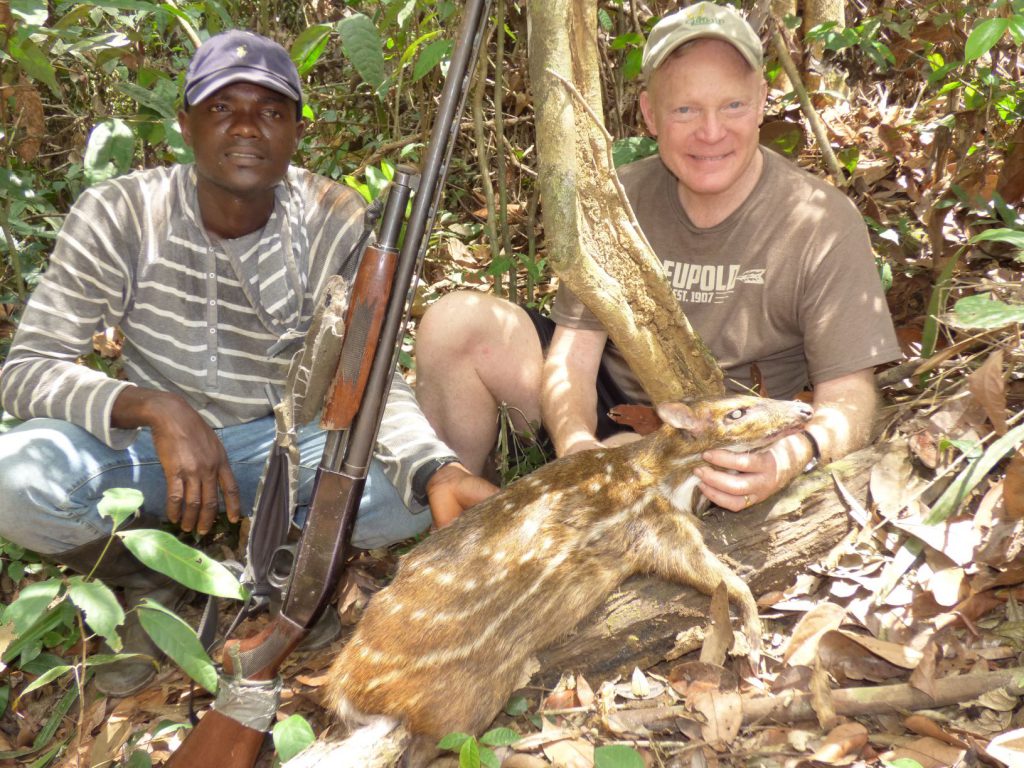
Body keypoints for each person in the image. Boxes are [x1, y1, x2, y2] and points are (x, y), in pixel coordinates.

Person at [0, 30, 494, 696]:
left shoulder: (332, 219)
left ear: (295, 131)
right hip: (152, 448)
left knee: (407, 495)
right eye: (221, 108)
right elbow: (27, 368)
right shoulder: (120, 213)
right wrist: (154, 406)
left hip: (283, 445)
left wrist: (438, 467)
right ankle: (164, 583)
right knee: (14, 480)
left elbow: (369, 375)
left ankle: (282, 579)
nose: (246, 128)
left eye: (270, 111)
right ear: (185, 123)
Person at [415, 3, 901, 509]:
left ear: (761, 102)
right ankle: (464, 509)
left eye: (732, 105)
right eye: (685, 110)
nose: (710, 132)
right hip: (609, 404)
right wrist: (579, 447)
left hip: (723, 435)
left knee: (660, 479)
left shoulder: (819, 220)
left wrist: (791, 457)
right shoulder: (618, 198)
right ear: (650, 114)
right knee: (455, 323)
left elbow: (851, 398)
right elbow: (573, 358)